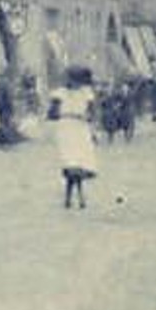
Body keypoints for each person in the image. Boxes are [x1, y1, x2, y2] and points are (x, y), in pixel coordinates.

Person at [49, 65, 99, 209]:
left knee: (77, 164)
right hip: (67, 128)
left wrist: (91, 127)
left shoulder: (86, 93)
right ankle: (75, 197)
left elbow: (92, 114)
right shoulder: (60, 94)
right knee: (70, 164)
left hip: (79, 127)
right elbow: (52, 113)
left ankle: (73, 198)